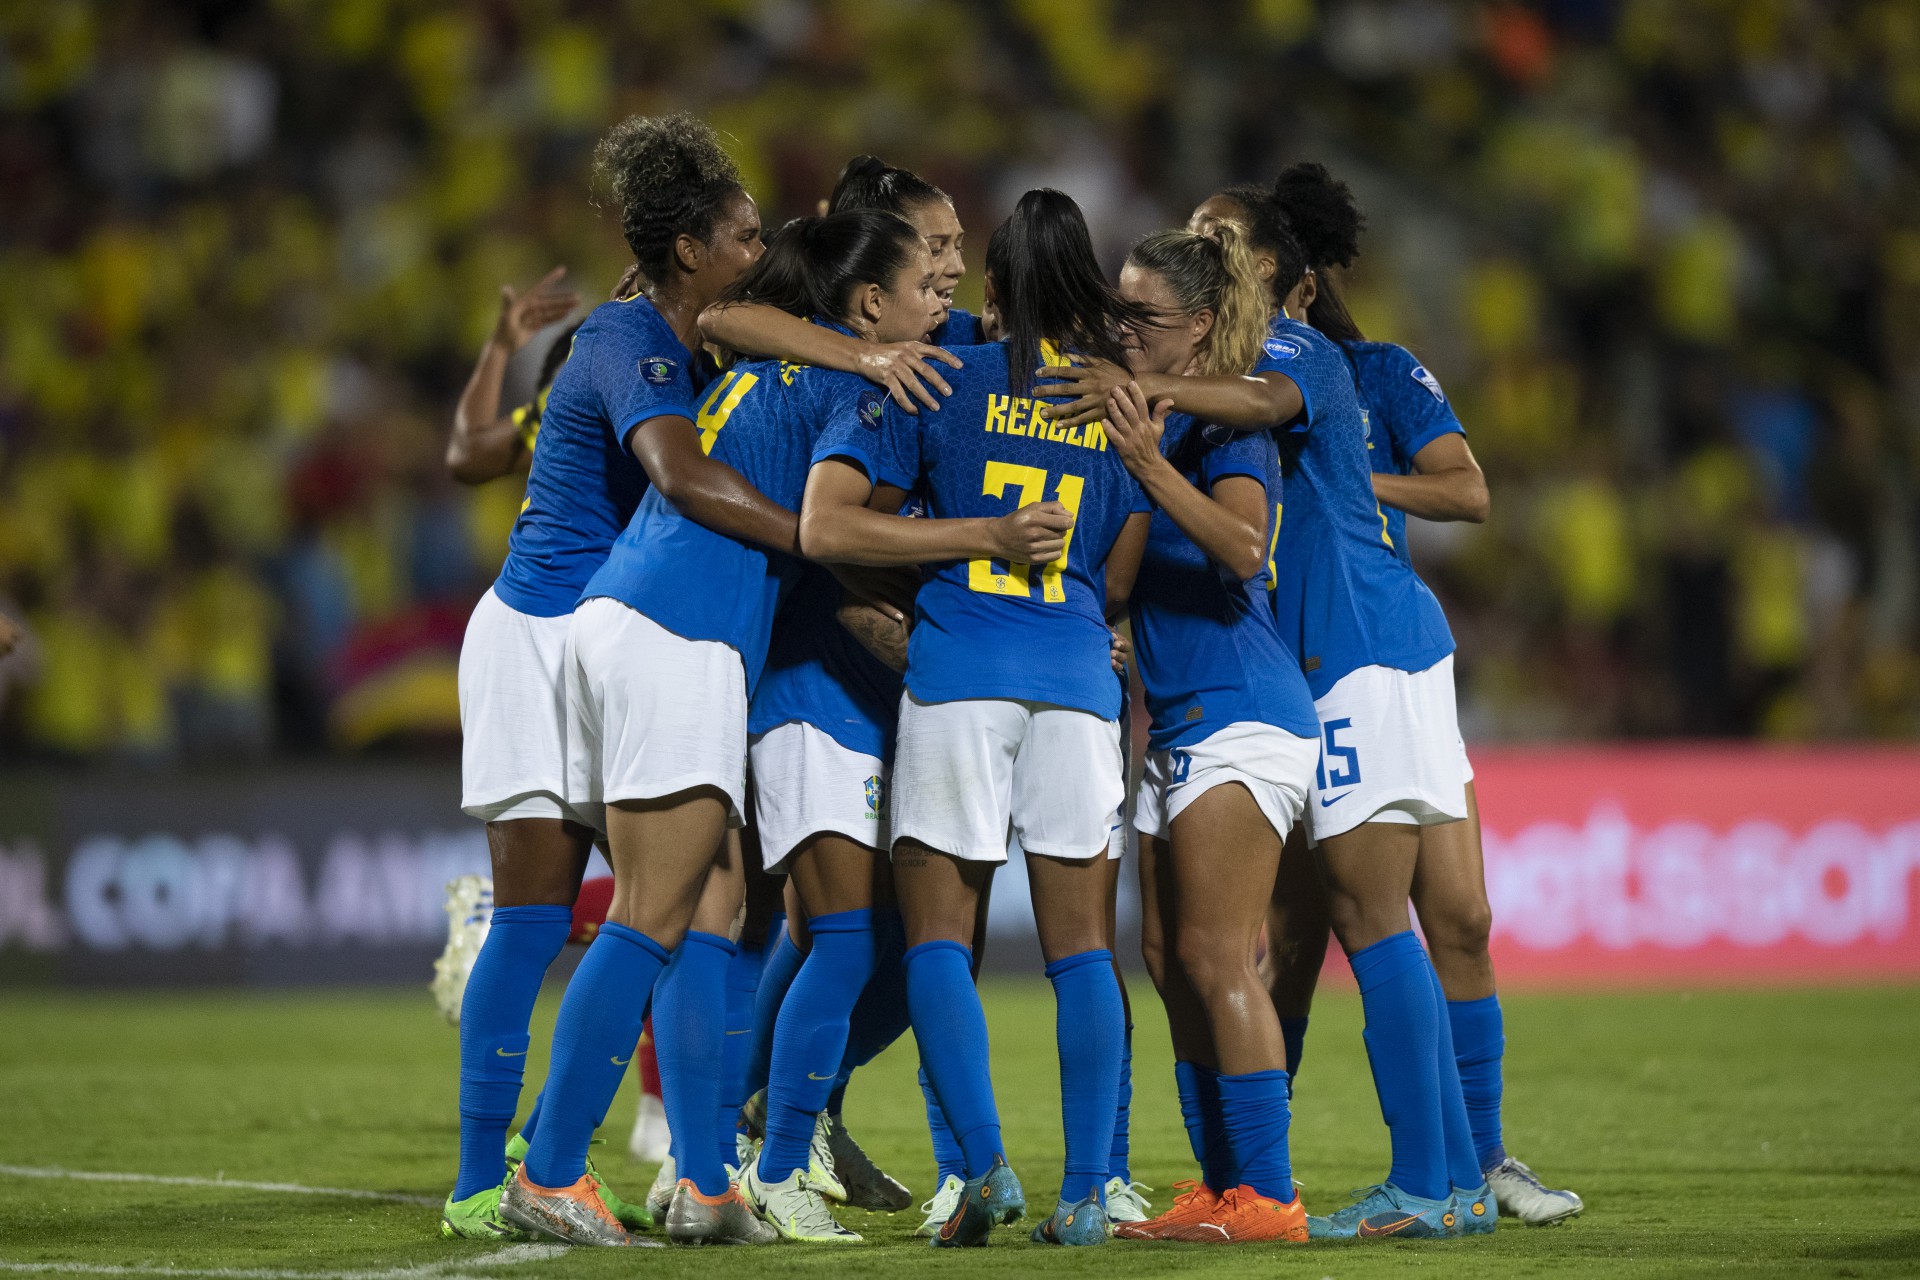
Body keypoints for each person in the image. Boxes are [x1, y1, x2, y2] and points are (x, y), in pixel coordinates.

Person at [798, 188, 1155, 1249]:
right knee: (1085, 952)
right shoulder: (1115, 400)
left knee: (939, 946)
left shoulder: (938, 377)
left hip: (958, 675)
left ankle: (984, 1165)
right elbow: (1121, 573)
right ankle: (1088, 1191)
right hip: (1081, 684)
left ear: (992, 287)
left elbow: (840, 521)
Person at [441, 113, 754, 1243]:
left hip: (615, 642)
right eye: (743, 234)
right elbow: (481, 457)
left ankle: (665, 1159)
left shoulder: (679, 347)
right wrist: (499, 348)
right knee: (535, 919)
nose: (757, 255)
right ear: (686, 249)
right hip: (539, 633)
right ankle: (489, 1178)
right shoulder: (626, 347)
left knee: (677, 901)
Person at [1258, 161, 1582, 1227]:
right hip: (1298, 656)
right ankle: (1254, 1165)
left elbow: (1468, 489)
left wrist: (1351, 475)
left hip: (1386, 652)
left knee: (1461, 916)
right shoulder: (1245, 379)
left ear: (1292, 276)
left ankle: (1476, 1160)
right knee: (1302, 935)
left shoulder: (1375, 373)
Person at [1095, 226, 1318, 1245]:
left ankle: (1267, 1196)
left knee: (1215, 949)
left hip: (1243, 708)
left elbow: (1241, 547)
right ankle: (1221, 1185)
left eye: (1143, 315)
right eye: (1118, 309)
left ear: (1195, 328)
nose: (1123, 328)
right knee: (1164, 953)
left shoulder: (1229, 426)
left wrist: (1146, 458)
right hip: (1171, 719)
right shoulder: (1138, 414)